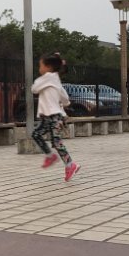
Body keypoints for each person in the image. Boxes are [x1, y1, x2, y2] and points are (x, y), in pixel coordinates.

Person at [31, 52, 80, 181]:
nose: (39, 68)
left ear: (48, 67)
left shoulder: (48, 77)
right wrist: (65, 103)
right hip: (48, 117)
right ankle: (53, 157)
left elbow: (34, 89)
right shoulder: (55, 80)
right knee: (38, 135)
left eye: (40, 65)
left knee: (54, 141)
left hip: (54, 117)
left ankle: (70, 164)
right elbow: (65, 97)